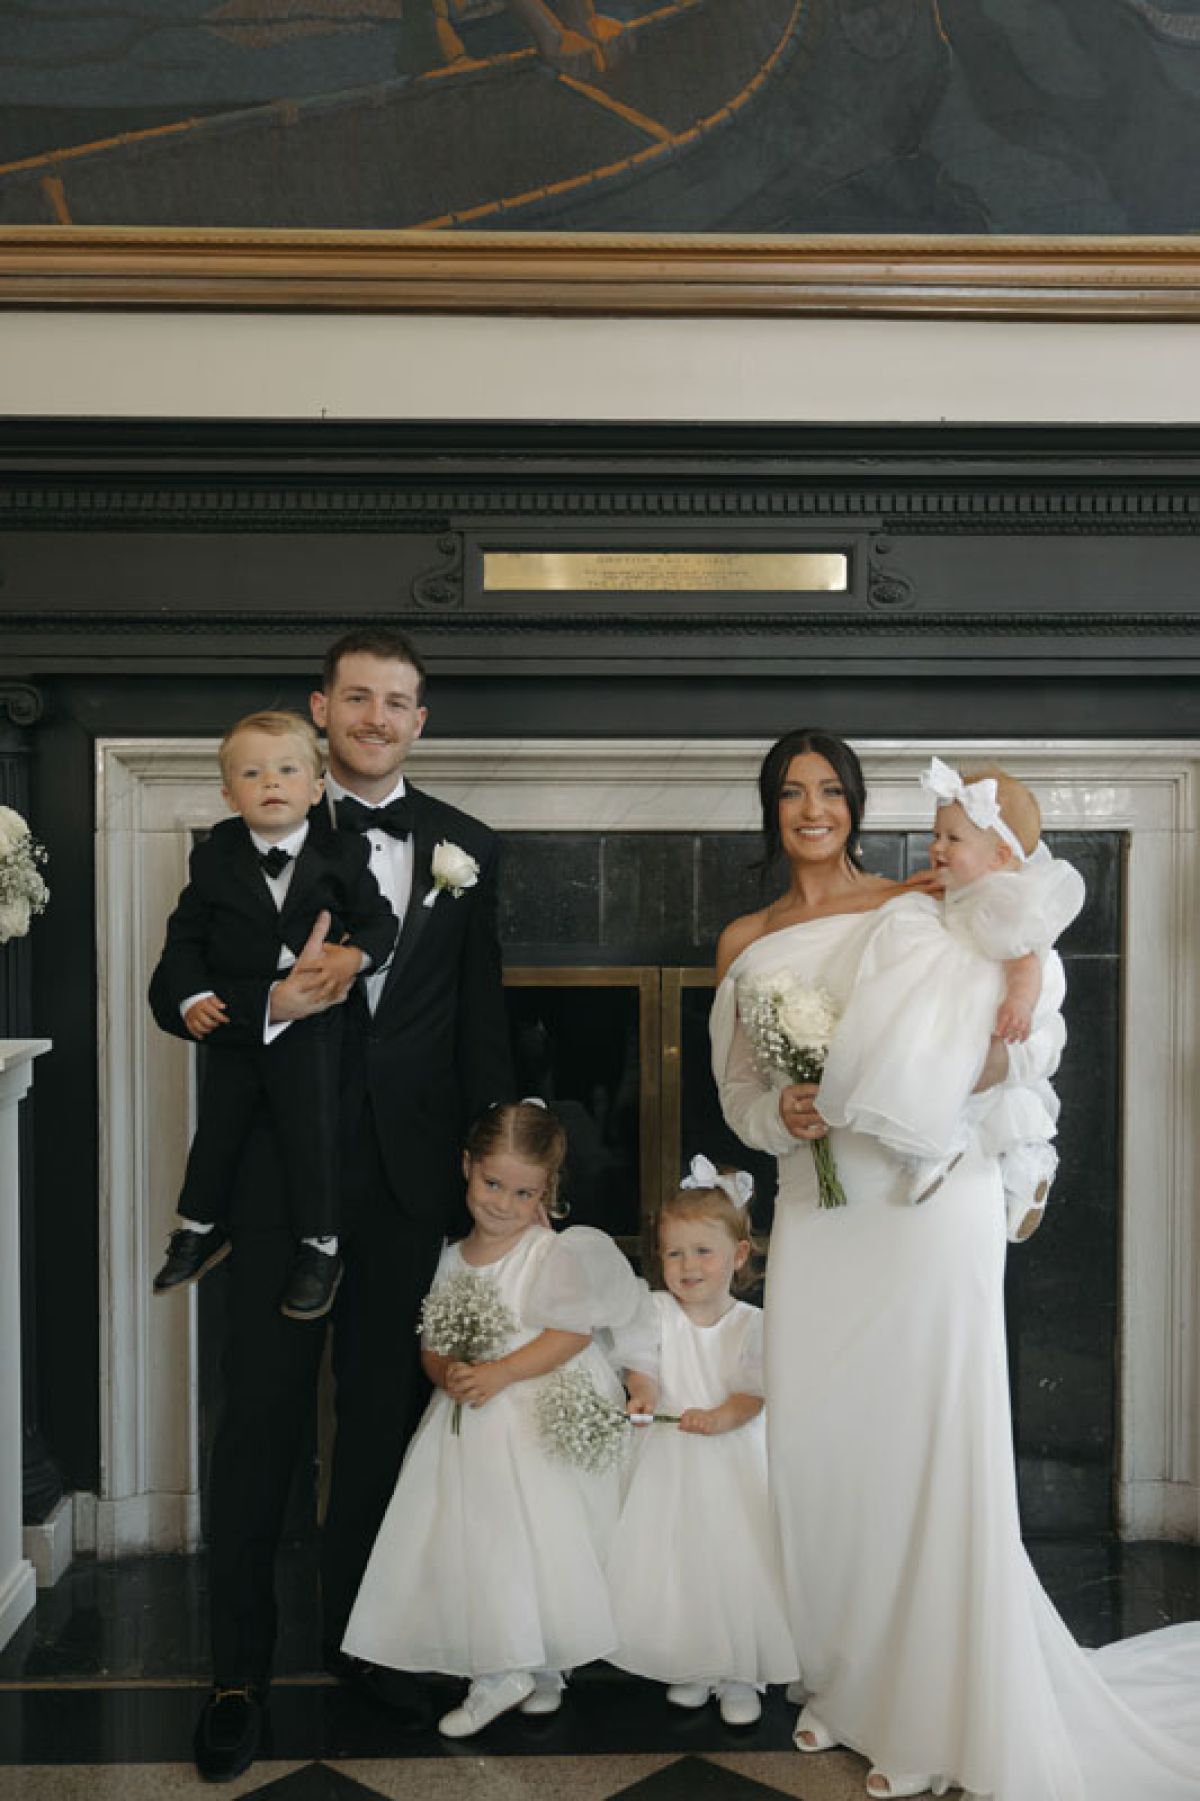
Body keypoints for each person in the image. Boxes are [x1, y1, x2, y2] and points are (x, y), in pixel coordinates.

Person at [710, 728, 1200, 1801]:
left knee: (930, 1442)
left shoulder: (922, 900)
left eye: (831, 790)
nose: (812, 810)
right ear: (770, 809)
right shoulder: (744, 937)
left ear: (855, 805)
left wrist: (987, 1033)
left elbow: (1027, 1004)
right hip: (820, 1207)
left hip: (927, 1205)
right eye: (791, 792)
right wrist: (784, 1110)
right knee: (827, 1444)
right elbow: (738, 1091)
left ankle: (934, 1712)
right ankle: (846, 1676)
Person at [149, 628, 514, 1782]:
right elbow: (185, 987)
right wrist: (274, 1001)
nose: (375, 717)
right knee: (261, 1422)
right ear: (320, 710)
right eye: (356, 697)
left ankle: (365, 1644)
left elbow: (479, 1009)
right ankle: (237, 1675)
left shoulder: (466, 844)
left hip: (409, 1178)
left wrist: (501, 1157)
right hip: (274, 1179)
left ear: (420, 720)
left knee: (378, 1425)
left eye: (396, 701)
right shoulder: (239, 838)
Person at [341, 1100, 646, 1737]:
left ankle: (527, 1667)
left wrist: (502, 1373)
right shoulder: (448, 1256)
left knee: (538, 1542)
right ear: (466, 1167)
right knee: (484, 1543)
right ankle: (511, 1665)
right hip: (467, 1418)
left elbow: (571, 1333)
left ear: (546, 1190)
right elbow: (432, 1342)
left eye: (523, 1192)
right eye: (492, 1184)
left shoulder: (546, 1252)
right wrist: (445, 1372)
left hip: (532, 1414)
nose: (504, 1203)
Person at [149, 710, 397, 1319]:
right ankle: (199, 1225)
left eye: (287, 770)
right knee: (218, 1127)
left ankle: (321, 1246)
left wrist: (354, 957)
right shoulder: (214, 857)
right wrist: (192, 996)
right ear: (229, 794)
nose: (270, 783)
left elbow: (381, 922)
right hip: (238, 1027)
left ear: (316, 788)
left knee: (314, 1133)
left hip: (315, 1030)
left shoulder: (343, 852)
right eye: (252, 773)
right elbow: (183, 942)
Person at [815, 756, 1085, 1240]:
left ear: (998, 857)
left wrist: (1020, 1003)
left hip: (996, 1002)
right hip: (969, 992)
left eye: (953, 839)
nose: (936, 847)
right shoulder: (967, 889)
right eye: (936, 834)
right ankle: (1011, 1162)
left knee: (961, 1074)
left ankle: (953, 1149)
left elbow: (1025, 957)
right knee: (965, 1075)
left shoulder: (1005, 899)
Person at [607, 1155, 799, 1725]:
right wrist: (642, 1396)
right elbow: (641, 1366)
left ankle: (740, 1673)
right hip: (668, 1463)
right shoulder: (654, 1311)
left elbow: (754, 1394)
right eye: (674, 1253)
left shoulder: (753, 1323)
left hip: (731, 1461)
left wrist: (720, 1418)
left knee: (735, 1562)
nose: (687, 1266)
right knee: (679, 1566)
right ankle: (692, 1662)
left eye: (702, 1252)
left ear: (738, 1256)